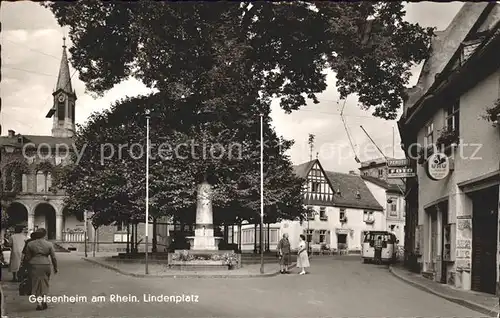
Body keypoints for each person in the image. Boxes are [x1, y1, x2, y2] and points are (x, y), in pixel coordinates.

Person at [24, 228, 58, 311]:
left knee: (35, 283)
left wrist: (25, 266)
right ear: (45, 235)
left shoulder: (30, 244)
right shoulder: (49, 244)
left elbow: (27, 257)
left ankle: (39, 303)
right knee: (44, 283)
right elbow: (53, 257)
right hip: (46, 264)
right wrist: (55, 267)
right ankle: (44, 300)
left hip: (34, 265)